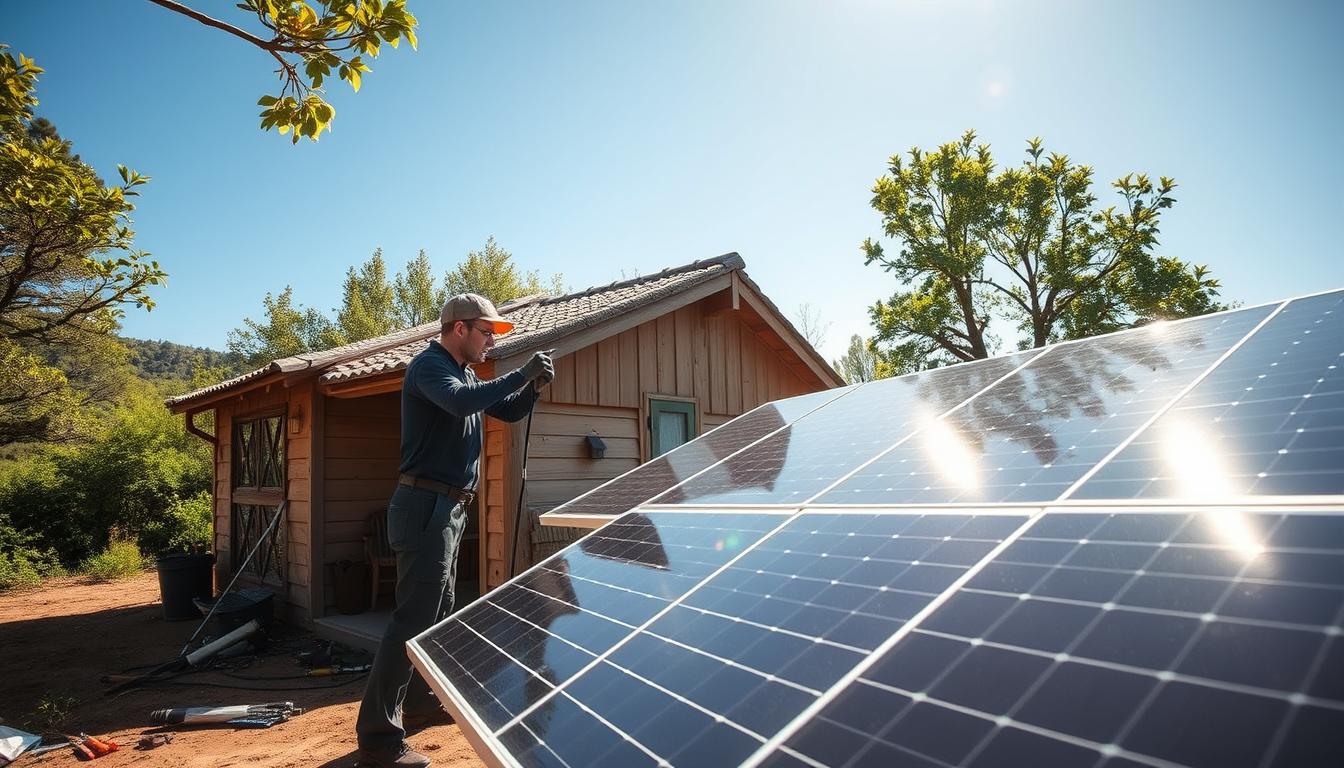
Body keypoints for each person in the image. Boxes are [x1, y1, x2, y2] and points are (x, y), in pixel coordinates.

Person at [354, 293, 554, 768]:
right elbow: (462, 401)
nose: (491, 341)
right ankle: (378, 740)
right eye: (486, 332)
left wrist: (533, 388)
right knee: (412, 619)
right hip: (424, 505)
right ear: (459, 329)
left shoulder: (465, 374)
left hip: (447, 509)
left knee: (438, 615)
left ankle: (423, 701)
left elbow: (507, 410)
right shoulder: (429, 368)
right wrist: (520, 372)